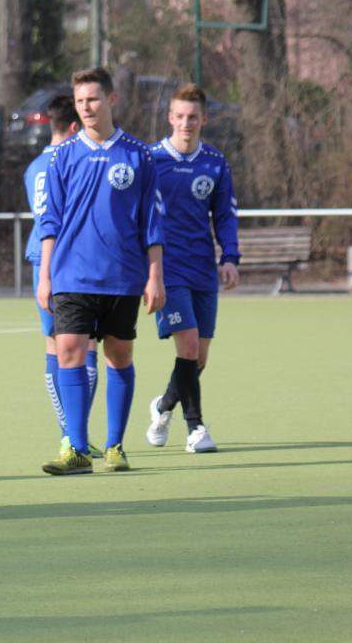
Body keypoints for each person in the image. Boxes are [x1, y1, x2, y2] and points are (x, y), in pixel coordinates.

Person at [36, 67, 165, 475]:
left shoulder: (138, 154)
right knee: (69, 352)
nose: (86, 107)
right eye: (80, 101)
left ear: (112, 99)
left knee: (118, 356)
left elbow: (151, 222)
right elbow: (50, 221)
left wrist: (155, 275)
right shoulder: (62, 156)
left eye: (92, 99)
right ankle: (76, 448)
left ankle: (114, 445)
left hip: (122, 276)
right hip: (71, 274)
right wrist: (45, 275)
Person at [145, 83, 239, 453]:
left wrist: (229, 258)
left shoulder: (215, 162)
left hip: (202, 269)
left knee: (198, 357)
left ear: (204, 119)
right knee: (186, 346)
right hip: (167, 269)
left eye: (193, 117)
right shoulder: (151, 160)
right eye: (180, 116)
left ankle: (163, 405)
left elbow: (225, 215)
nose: (186, 123)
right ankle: (195, 428)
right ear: (170, 118)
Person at [23, 95, 101, 458]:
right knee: (87, 346)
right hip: (71, 260)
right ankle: (75, 434)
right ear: (73, 127)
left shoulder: (33, 167)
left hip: (40, 258)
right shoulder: (74, 160)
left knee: (54, 346)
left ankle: (69, 435)